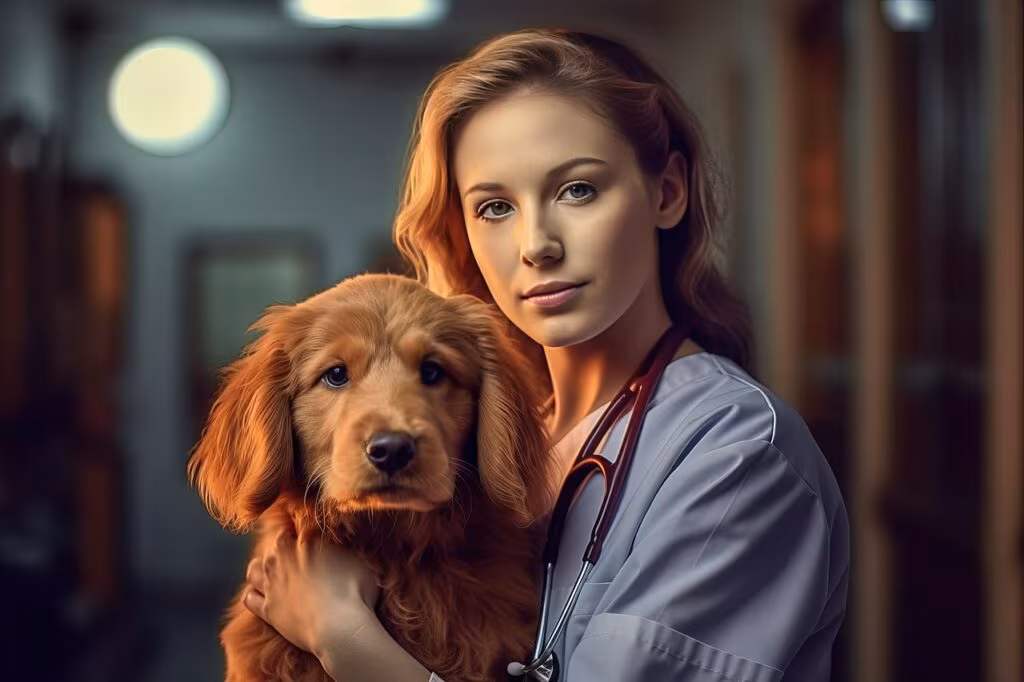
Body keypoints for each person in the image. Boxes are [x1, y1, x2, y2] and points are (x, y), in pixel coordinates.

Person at [241, 28, 850, 681]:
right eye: (494, 206)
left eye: (577, 190)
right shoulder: (497, 429)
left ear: (668, 192)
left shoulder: (739, 455)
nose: (536, 245)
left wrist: (340, 633)